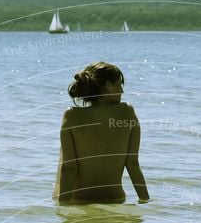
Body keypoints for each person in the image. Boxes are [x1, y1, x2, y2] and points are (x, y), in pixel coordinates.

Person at [53, 62, 150, 204]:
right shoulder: (127, 113)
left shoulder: (71, 116)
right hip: (114, 199)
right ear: (109, 86)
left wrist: (63, 208)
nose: (122, 91)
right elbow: (132, 164)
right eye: (119, 85)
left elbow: (69, 167)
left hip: (77, 200)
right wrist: (145, 200)